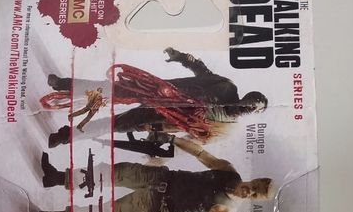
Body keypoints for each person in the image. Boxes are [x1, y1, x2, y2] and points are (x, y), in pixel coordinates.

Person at [46, 47, 268, 147]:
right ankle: (63, 84)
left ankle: (65, 137)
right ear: (245, 97)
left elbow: (193, 139)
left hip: (156, 119)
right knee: (109, 89)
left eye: (251, 109)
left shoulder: (225, 128)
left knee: (112, 125)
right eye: (249, 102)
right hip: (158, 91)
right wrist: (183, 57)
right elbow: (203, 72)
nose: (246, 107)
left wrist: (159, 137)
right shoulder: (226, 86)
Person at [48, 144, 275, 212]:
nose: (250, 191)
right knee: (113, 171)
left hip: (157, 205)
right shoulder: (229, 170)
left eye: (255, 195)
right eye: (254, 186)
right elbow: (202, 155)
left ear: (255, 200)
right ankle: (57, 178)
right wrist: (174, 139)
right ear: (254, 179)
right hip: (162, 177)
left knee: (109, 211)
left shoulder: (226, 211)